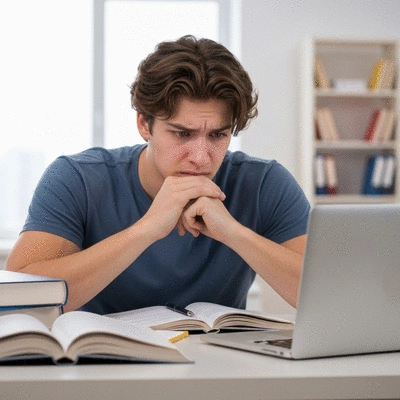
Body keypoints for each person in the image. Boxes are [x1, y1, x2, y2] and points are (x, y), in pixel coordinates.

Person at [6, 35, 310, 314]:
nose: (201, 157)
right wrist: (147, 229)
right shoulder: (75, 178)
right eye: (181, 134)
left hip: (218, 368)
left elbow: (322, 293)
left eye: (218, 135)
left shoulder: (264, 183)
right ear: (144, 124)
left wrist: (233, 233)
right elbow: (20, 296)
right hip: (100, 365)